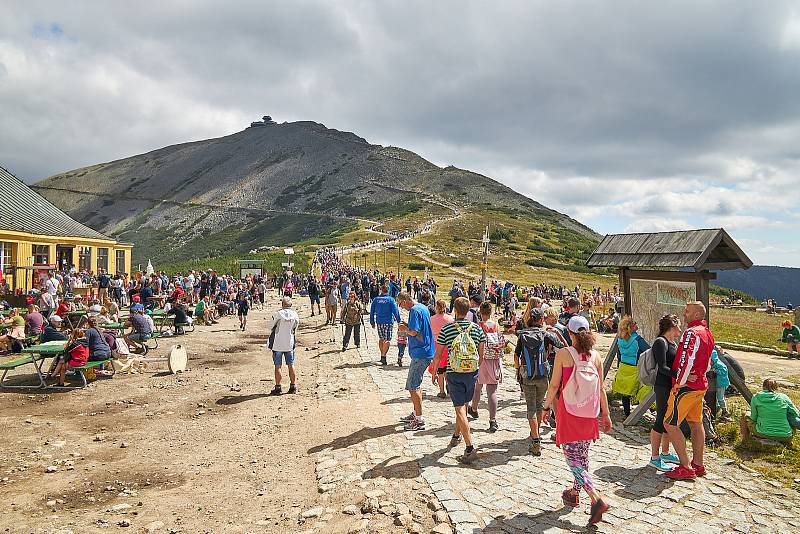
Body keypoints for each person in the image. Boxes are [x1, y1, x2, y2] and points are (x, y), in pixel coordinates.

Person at [542, 316, 612, 525]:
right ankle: (574, 492)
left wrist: (545, 407)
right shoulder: (596, 357)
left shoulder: (563, 354)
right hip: (590, 413)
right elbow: (600, 389)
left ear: (570, 334)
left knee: (572, 460)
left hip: (569, 412)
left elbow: (554, 386)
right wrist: (606, 414)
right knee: (582, 455)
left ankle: (595, 498)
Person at [664, 301, 715, 481]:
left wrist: (679, 382)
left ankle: (685, 466)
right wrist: (700, 374)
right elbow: (708, 360)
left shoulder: (691, 333)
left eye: (687, 312)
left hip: (687, 388)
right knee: (696, 423)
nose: (684, 314)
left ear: (695, 315)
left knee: (670, 424)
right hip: (700, 385)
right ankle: (698, 464)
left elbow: (687, 358)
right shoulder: (708, 333)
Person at [432, 296, 486, 464]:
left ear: (454, 310)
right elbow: (481, 354)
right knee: (462, 406)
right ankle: (456, 435)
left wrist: (435, 371)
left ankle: (470, 448)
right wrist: (476, 369)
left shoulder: (447, 329)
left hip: (454, 371)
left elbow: (439, 354)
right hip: (471, 372)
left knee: (459, 409)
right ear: (468, 310)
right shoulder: (477, 329)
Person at [516, 307, 565, 455]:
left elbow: (516, 355)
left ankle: (535, 439)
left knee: (531, 407)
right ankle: (536, 434)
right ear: (541, 320)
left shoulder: (522, 335)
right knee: (539, 405)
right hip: (543, 374)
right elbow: (561, 346)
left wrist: (518, 371)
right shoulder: (545, 334)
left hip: (527, 375)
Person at [648, 314, 682, 471]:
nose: (680, 329)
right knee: (661, 418)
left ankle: (666, 452)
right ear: (672, 326)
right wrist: (680, 376)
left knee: (669, 418)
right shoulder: (660, 342)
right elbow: (662, 367)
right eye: (678, 326)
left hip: (671, 387)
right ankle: (654, 457)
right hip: (662, 386)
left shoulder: (672, 342)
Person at [397, 292, 435, 431]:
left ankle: (419, 419)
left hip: (421, 352)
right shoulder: (422, 307)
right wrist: (408, 325)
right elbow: (419, 328)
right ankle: (415, 413)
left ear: (406, 300)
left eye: (401, 304)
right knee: (415, 384)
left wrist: (404, 328)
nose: (401, 307)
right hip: (425, 350)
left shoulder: (414, 310)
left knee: (413, 386)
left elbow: (413, 332)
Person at [470, 301, 506, 433]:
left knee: (477, 388)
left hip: (481, 360)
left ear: (480, 312)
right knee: (492, 391)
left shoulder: (477, 326)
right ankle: (492, 420)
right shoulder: (496, 326)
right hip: (494, 360)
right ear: (490, 312)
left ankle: (473, 409)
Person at [611, 316, 651, 417]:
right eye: (635, 323)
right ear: (631, 327)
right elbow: (648, 351)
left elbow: (619, 355)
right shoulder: (637, 340)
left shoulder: (620, 339)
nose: (637, 325)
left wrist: (619, 366)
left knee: (626, 393)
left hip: (624, 367)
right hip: (635, 368)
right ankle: (643, 411)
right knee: (641, 389)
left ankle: (627, 413)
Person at [740, 378, 800, 443]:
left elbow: (753, 418)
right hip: (786, 436)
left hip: (762, 433)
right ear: (776, 387)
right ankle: (786, 442)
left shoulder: (756, 397)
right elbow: (796, 413)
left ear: (763, 387)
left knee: (744, 414)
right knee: (789, 414)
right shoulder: (783, 397)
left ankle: (745, 441)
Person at [267, 297, 300, 395]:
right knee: (291, 364)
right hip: (289, 343)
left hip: (278, 343)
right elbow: (296, 327)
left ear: (282, 304)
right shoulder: (295, 315)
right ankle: (293, 386)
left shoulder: (278, 314)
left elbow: (270, 326)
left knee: (278, 366)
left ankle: (278, 387)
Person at [369, 284, 401, 366]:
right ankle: (383, 356)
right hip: (388, 321)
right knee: (387, 339)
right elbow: (395, 311)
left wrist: (372, 322)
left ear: (381, 290)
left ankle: (382, 356)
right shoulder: (390, 300)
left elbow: (372, 311)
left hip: (379, 321)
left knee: (381, 338)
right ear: (388, 290)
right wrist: (399, 321)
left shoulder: (376, 300)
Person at [429, 299, 454, 398]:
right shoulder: (450, 319)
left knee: (440, 369)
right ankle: (449, 386)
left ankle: (441, 391)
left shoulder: (432, 319)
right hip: (448, 344)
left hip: (437, 344)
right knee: (447, 368)